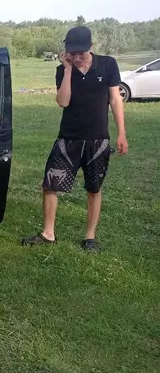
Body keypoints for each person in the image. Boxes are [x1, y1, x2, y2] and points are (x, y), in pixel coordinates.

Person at [21, 25, 128, 253]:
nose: (77, 57)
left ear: (91, 47)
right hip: (68, 138)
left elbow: (115, 99)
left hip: (97, 140)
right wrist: (68, 70)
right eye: (72, 53)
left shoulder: (108, 64)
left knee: (94, 188)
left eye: (81, 53)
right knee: (50, 185)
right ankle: (48, 234)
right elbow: (63, 101)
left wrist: (122, 133)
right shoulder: (63, 70)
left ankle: (90, 237)